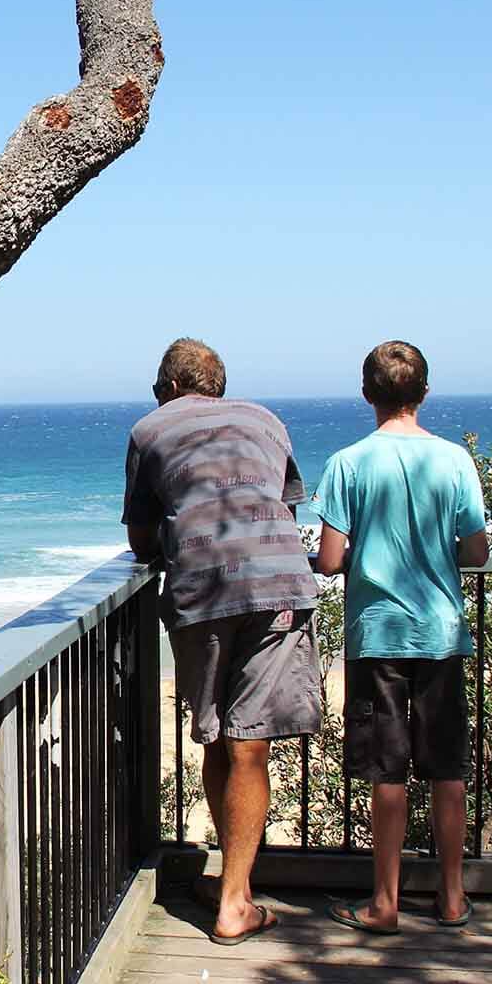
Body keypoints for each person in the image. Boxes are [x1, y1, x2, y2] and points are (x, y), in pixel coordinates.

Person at [124, 338, 322, 945]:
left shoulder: (148, 429)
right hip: (279, 586)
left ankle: (230, 891)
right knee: (249, 743)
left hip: (201, 591)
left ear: (166, 388)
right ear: (219, 386)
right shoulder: (266, 420)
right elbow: (285, 505)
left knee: (213, 734)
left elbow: (140, 539)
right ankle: (235, 895)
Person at [313, 340, 489, 933]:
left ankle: (384, 903)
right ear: (425, 393)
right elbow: (476, 550)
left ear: (367, 394)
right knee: (447, 769)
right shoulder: (455, 461)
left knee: (387, 771)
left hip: (379, 635)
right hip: (440, 632)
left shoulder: (347, 463)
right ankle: (452, 897)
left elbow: (332, 559)